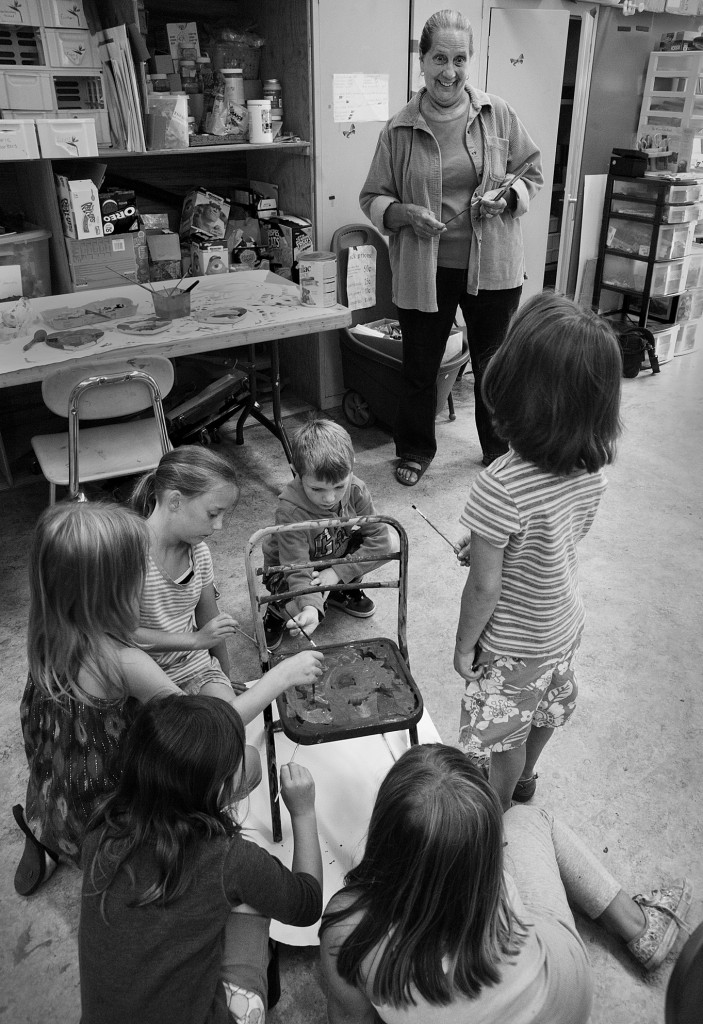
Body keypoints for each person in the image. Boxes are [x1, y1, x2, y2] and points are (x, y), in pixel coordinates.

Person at [13, 501, 322, 897]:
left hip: (60, 792)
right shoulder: (123, 661)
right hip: (116, 821)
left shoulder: (45, 639)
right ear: (110, 592)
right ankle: (173, 853)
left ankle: (43, 834)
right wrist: (282, 676)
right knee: (248, 762)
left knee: (62, 772)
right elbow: (207, 727)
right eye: (136, 578)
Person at [320, 744, 694, 1024]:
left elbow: (349, 1020)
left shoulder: (348, 927)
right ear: (486, 843)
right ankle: (638, 925)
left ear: (384, 833)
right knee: (529, 819)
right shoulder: (494, 876)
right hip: (567, 999)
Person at [453, 292, 622, 810]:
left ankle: (498, 807)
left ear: (512, 382)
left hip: (511, 643)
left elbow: (484, 587)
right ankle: (527, 777)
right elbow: (557, 537)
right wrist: (492, 543)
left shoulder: (499, 485)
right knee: (546, 710)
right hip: (562, 626)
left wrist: (463, 647)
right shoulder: (591, 470)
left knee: (502, 735)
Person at [360, 9, 543, 486]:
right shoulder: (399, 129)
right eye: (439, 58)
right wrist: (403, 215)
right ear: (421, 61)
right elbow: (372, 196)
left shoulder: (497, 113)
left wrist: (506, 199)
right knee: (420, 367)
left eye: (460, 59)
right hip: (426, 268)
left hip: (494, 268)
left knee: (493, 366)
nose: (450, 71)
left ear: (470, 62)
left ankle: (497, 451)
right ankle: (416, 448)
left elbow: (531, 173)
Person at [80, 695, 323, 1024]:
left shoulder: (99, 831)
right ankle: (256, 999)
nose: (244, 762)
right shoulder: (228, 858)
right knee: (251, 901)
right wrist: (304, 811)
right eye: (234, 762)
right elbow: (307, 904)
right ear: (216, 791)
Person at [131, 446, 264, 696]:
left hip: (195, 666)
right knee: (186, 728)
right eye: (213, 513)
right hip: (144, 675)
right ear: (175, 501)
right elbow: (125, 634)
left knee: (227, 719)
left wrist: (223, 677)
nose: (219, 525)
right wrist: (196, 640)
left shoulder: (199, 552)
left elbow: (209, 620)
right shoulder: (130, 555)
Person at [261, 418, 398, 650]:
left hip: (332, 555)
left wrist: (337, 572)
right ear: (296, 471)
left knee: (393, 543)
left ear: (351, 467)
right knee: (303, 615)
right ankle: (278, 609)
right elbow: (296, 567)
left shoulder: (356, 488)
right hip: (289, 569)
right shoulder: (290, 511)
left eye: (338, 486)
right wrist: (310, 608)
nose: (329, 498)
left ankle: (339, 588)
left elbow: (380, 540)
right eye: (317, 489)